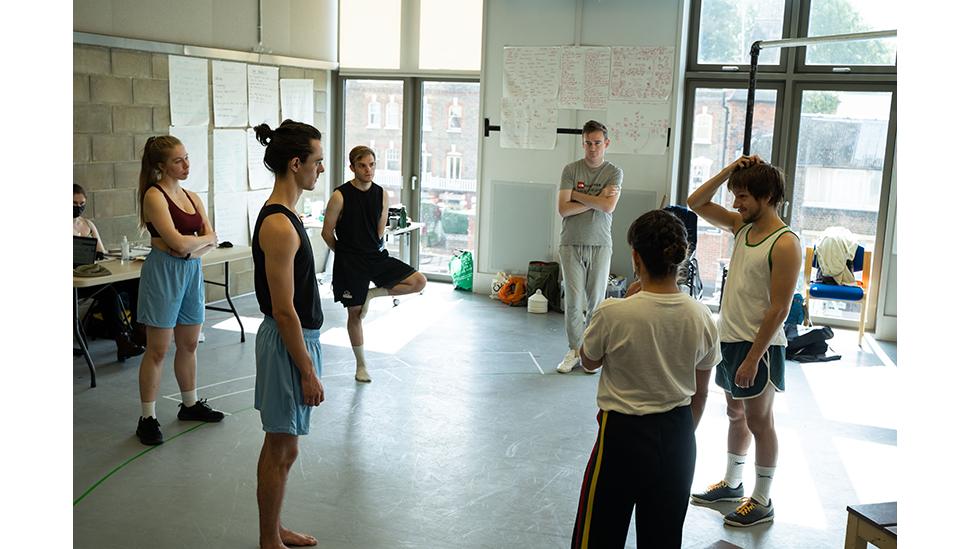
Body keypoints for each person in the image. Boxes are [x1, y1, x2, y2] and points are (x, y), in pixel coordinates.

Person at [569, 210, 720, 548]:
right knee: (662, 540)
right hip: (678, 437)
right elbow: (701, 394)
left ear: (636, 258)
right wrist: (678, 434)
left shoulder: (614, 312)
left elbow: (589, 362)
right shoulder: (702, 316)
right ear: (681, 256)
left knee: (598, 538)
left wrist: (626, 302)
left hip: (622, 438)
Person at [686, 155, 801, 527]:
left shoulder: (785, 243)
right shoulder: (741, 227)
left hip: (759, 347)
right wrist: (730, 169)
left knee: (759, 421)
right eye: (735, 195)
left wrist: (753, 358)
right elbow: (696, 202)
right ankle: (732, 484)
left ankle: (762, 499)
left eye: (744, 197)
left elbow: (780, 309)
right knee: (735, 414)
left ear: (767, 197)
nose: (736, 204)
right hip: (730, 338)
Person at [251, 120, 326, 549]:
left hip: (298, 340)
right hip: (287, 345)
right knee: (280, 449)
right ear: (296, 163)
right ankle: (269, 540)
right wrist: (307, 371)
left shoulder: (290, 216)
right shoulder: (279, 224)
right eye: (317, 161)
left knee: (285, 447)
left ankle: (275, 528)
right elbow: (283, 310)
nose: (321, 169)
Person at [134, 135, 224, 446]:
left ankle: (189, 404)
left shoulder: (192, 196)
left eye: (186, 158)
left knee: (189, 344)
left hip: (191, 271)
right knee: (158, 350)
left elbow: (209, 239)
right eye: (178, 161)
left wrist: (190, 246)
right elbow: (178, 242)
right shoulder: (154, 196)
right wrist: (193, 244)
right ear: (161, 166)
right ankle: (147, 418)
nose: (186, 165)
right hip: (163, 273)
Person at [321, 145, 427, 383]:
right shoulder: (339, 196)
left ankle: (373, 293)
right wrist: (344, 254)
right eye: (362, 166)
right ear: (352, 167)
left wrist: (368, 250)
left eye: (371, 165)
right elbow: (327, 233)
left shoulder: (381, 194)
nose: (368, 170)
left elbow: (379, 231)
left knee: (419, 282)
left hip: (375, 257)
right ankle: (361, 365)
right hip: (350, 262)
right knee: (355, 314)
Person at [556, 120, 622, 374]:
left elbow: (608, 206)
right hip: (571, 242)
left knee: (596, 302)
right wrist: (596, 198)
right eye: (588, 143)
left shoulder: (614, 172)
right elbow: (563, 209)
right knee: (574, 301)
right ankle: (574, 350)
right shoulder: (571, 170)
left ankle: (591, 353)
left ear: (606, 143)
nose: (593, 148)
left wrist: (576, 195)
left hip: (600, 243)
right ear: (582, 143)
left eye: (597, 143)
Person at [73, 183, 146, 361]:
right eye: (74, 204)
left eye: (82, 203)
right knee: (109, 293)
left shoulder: (88, 224)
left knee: (135, 283)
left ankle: (138, 330)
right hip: (77, 282)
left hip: (93, 274)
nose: (78, 207)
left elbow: (102, 251)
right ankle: (122, 340)